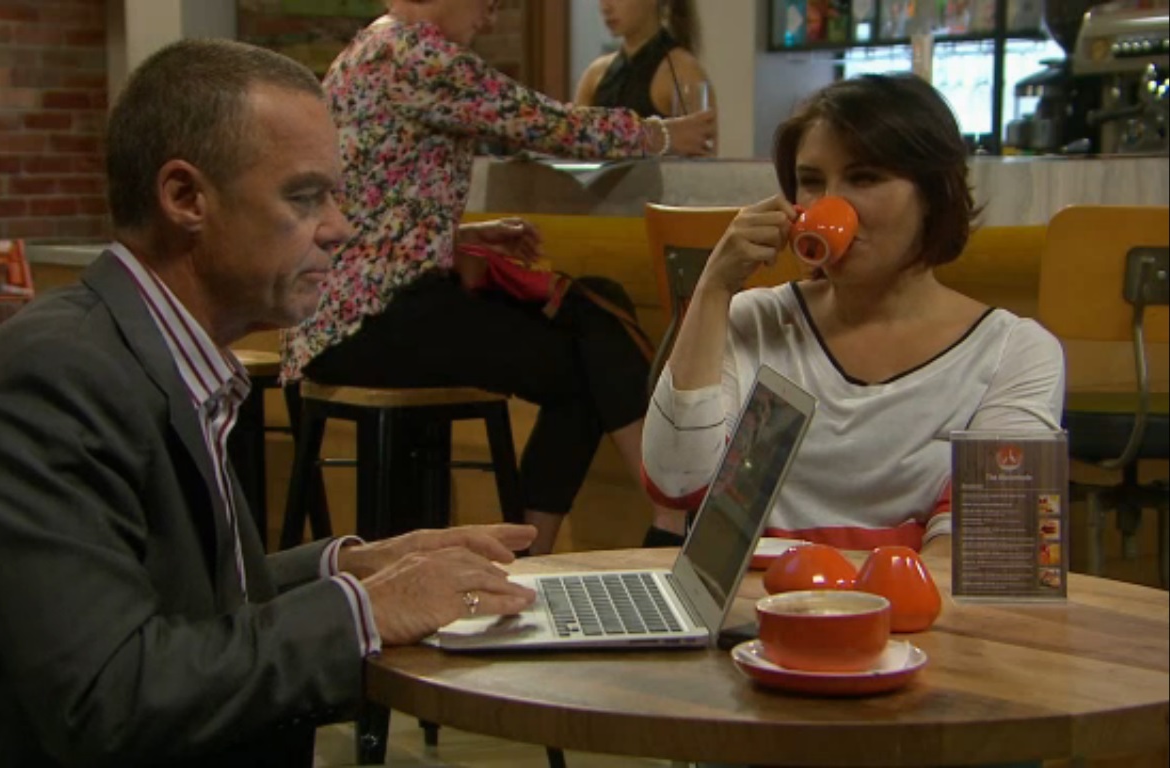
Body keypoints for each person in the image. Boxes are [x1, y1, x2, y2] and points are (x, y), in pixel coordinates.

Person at [0, 39, 538, 768]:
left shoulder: (142, 353)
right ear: (185, 198)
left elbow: (183, 604)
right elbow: (111, 698)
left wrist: (353, 567)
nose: (340, 227)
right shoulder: (49, 381)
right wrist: (368, 611)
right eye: (305, 197)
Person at [280, 0, 718, 555]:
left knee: (588, 344)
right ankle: (668, 525)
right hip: (371, 322)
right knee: (592, 332)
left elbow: (373, 205)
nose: (488, 19)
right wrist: (660, 136)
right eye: (487, 4)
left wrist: (457, 235)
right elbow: (541, 122)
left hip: (346, 320)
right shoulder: (416, 53)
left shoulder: (368, 47)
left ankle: (548, 549)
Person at [641, 73, 1065, 555]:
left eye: (864, 178)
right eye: (811, 182)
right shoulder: (756, 320)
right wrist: (714, 287)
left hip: (913, 602)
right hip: (760, 599)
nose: (829, 205)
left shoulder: (1014, 352)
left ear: (934, 194)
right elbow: (675, 483)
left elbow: (987, 549)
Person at [575, 0, 717, 145]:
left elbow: (702, 151)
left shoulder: (683, 71)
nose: (606, 7)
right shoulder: (595, 75)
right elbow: (574, 143)